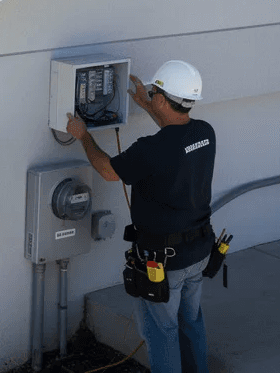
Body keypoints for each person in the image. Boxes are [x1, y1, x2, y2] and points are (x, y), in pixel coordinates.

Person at [65, 60, 215, 373]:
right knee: (191, 321)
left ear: (163, 100)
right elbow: (173, 138)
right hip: (199, 251)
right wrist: (147, 105)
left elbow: (108, 171)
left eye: (154, 92)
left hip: (165, 261)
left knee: (162, 331)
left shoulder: (151, 149)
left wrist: (83, 136)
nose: (151, 94)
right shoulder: (205, 133)